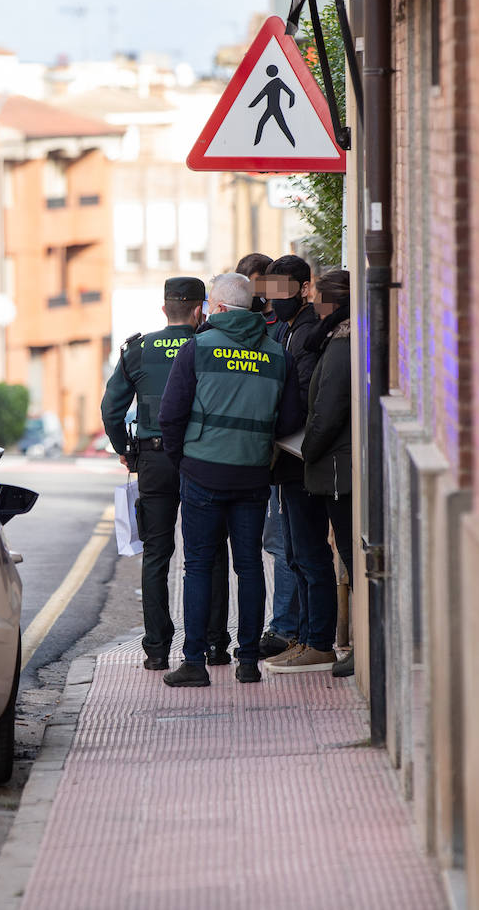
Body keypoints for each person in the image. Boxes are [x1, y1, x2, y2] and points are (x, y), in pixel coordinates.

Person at [159, 273, 304, 687]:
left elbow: (171, 415)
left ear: (218, 308)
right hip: (253, 475)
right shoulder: (279, 356)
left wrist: (183, 460)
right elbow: (291, 421)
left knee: (199, 566)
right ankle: (248, 662)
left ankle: (193, 662)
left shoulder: (197, 348)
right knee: (250, 567)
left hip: (201, 472)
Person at [100, 277, 229, 670]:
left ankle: (157, 649)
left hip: (154, 461)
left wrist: (126, 450)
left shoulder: (138, 349)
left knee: (156, 554)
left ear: (164, 309)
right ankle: (215, 644)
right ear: (198, 310)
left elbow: (111, 410)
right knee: (207, 554)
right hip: (200, 459)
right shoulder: (210, 346)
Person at [272, 268, 352, 674]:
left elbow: (322, 407)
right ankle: (307, 638)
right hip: (306, 462)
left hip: (316, 463)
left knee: (314, 556)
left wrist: (306, 450)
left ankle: (318, 642)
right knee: (298, 555)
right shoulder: (320, 337)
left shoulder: (332, 342)